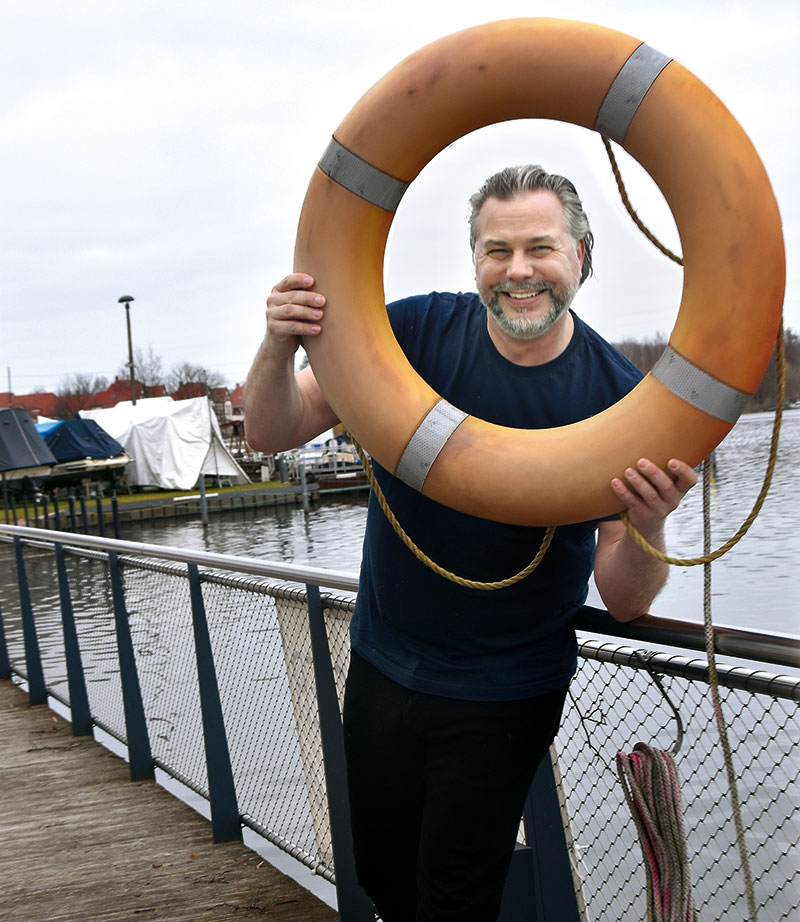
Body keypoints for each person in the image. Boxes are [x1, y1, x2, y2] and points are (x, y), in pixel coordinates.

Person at [244, 164, 697, 922]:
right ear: (475, 260)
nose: (518, 271)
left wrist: (650, 524)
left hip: (507, 688)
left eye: (540, 248)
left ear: (581, 255)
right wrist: (275, 345)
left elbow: (622, 599)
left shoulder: (617, 400)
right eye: (497, 250)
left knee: (457, 897)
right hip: (385, 661)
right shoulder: (413, 334)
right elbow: (269, 430)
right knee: (384, 879)